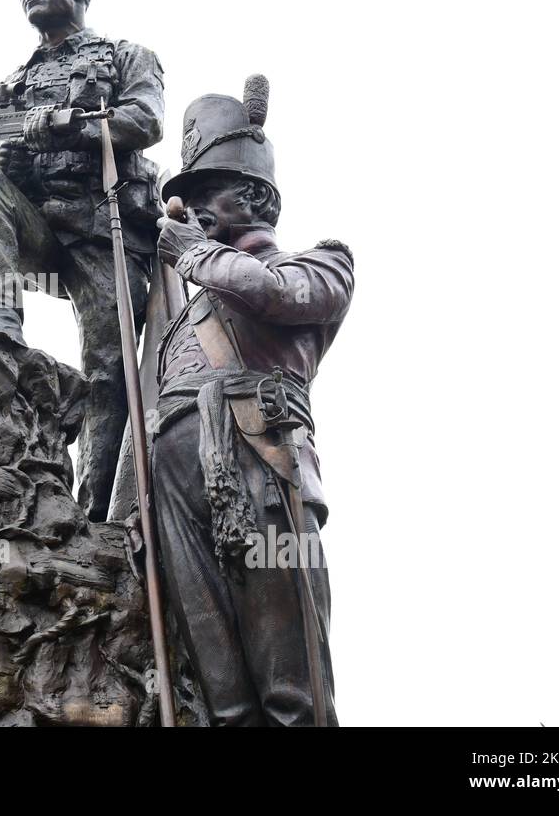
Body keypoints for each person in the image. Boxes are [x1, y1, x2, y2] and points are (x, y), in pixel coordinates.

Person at [0, 0, 165, 520]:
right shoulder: (10, 87)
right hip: (40, 232)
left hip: (100, 225)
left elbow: (146, 119)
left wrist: (67, 128)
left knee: (109, 365)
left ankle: (95, 513)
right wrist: (0, 151)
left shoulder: (124, 56)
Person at [151, 80, 354, 725]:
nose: (198, 209)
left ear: (257, 198)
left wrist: (197, 252)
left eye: (213, 193)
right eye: (192, 199)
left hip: (262, 463)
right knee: (218, 690)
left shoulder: (323, 264)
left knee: (291, 683)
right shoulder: (186, 304)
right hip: (177, 484)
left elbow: (275, 293)